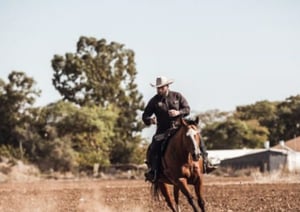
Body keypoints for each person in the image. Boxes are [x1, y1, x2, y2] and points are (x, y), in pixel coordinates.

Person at [142, 76, 215, 182]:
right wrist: (151, 120)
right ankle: (154, 171)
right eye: (158, 88)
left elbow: (187, 109)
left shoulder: (177, 96)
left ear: (167, 86)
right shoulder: (154, 101)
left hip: (180, 128)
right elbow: (145, 116)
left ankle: (206, 162)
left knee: (197, 138)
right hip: (163, 130)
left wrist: (178, 112)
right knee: (154, 147)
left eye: (161, 87)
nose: (159, 90)